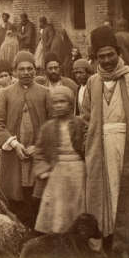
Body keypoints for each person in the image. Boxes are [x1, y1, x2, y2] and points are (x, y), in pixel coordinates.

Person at [82, 26, 129, 258]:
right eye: (101, 56)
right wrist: (89, 146)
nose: (106, 60)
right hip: (102, 151)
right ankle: (111, 246)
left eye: (110, 55)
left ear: (118, 53)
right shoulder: (93, 82)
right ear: (95, 57)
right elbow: (86, 119)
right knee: (108, 196)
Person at [0, 51, 51, 228]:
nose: (26, 72)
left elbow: (53, 125)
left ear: (35, 71)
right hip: (13, 158)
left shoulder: (45, 93)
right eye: (21, 69)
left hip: (38, 157)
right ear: (15, 71)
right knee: (16, 203)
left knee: (37, 200)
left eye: (30, 69)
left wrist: (39, 146)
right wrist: (14, 144)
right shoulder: (5, 94)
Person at [33, 86, 85, 234]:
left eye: (63, 101)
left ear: (70, 103)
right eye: (55, 102)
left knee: (78, 205)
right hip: (58, 172)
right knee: (59, 208)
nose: (59, 105)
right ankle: (59, 240)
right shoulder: (48, 127)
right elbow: (40, 152)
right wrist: (43, 170)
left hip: (79, 171)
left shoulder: (80, 123)